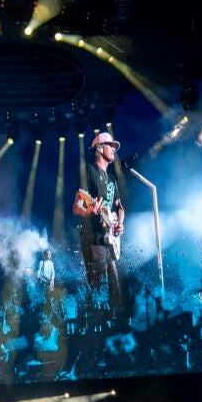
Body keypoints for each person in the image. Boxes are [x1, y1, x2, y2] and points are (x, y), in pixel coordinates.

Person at [75, 129, 127, 326]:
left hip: (109, 241)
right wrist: (91, 210)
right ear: (99, 148)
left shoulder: (112, 179)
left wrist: (120, 223)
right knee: (98, 288)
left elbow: (119, 207)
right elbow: (77, 207)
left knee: (115, 290)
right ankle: (96, 329)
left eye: (114, 146)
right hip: (93, 239)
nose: (114, 149)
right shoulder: (89, 171)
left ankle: (114, 328)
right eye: (110, 145)